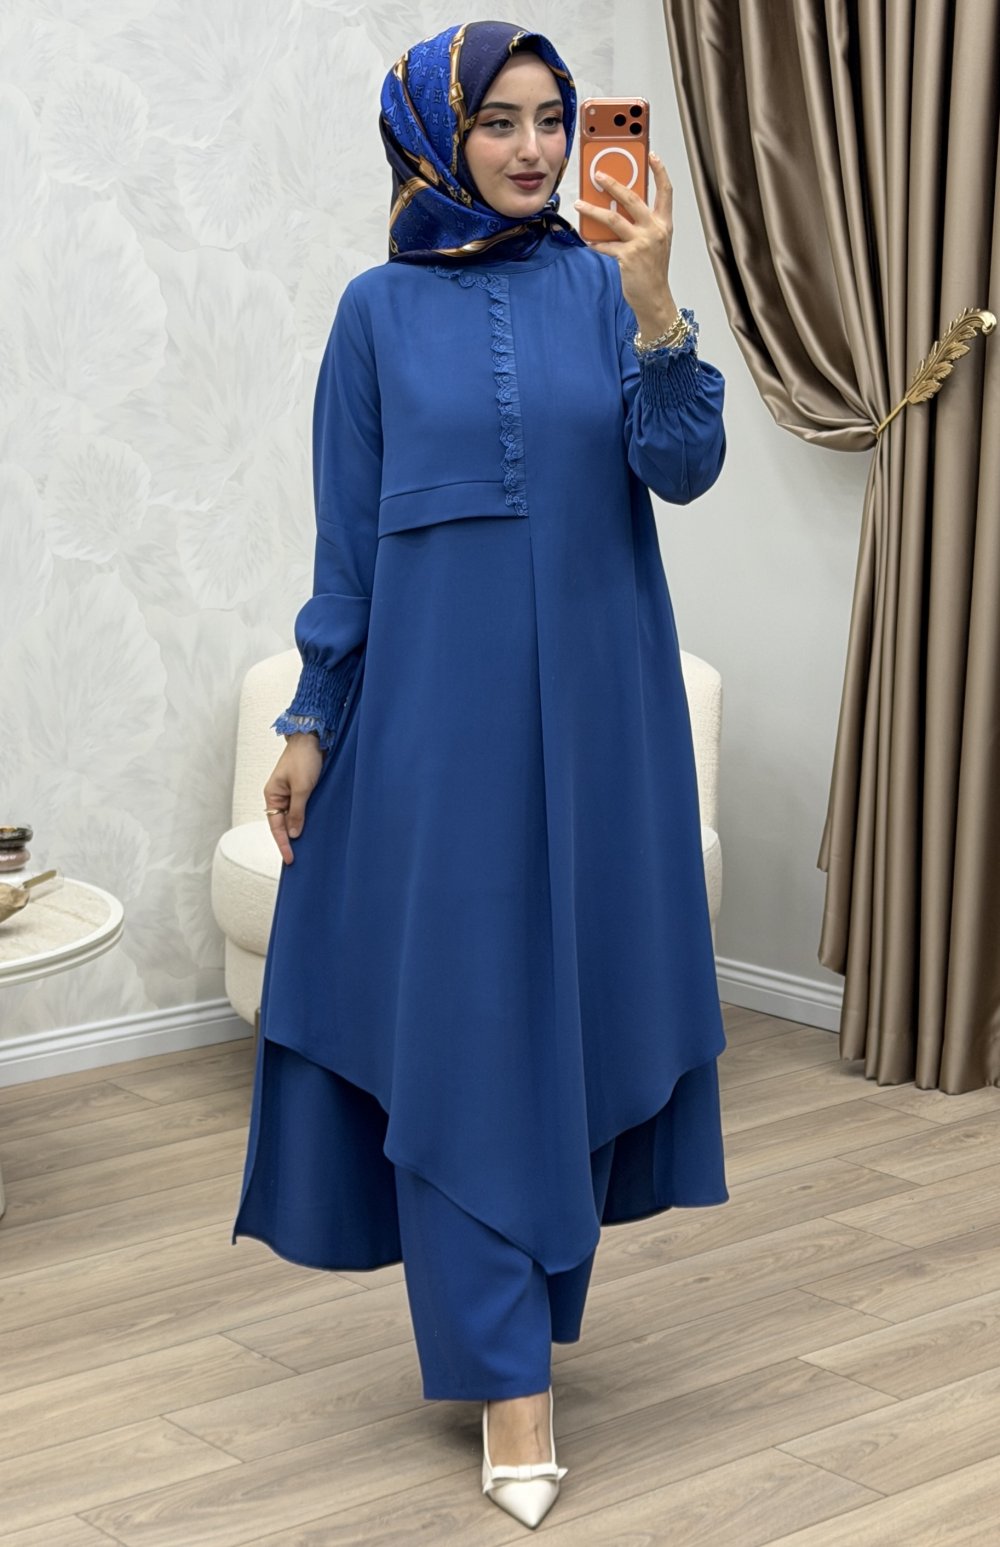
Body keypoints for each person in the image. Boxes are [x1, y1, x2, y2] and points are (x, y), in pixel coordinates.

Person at [233, 19, 729, 1531]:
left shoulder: (604, 287)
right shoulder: (374, 314)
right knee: (465, 1028)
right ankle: (511, 1382)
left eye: (551, 119)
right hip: (435, 732)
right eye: (499, 121)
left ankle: (525, 1331)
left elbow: (683, 469)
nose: (532, 149)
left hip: (601, 719)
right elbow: (346, 545)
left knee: (561, 1017)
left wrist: (657, 305)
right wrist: (311, 721)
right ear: (435, 138)